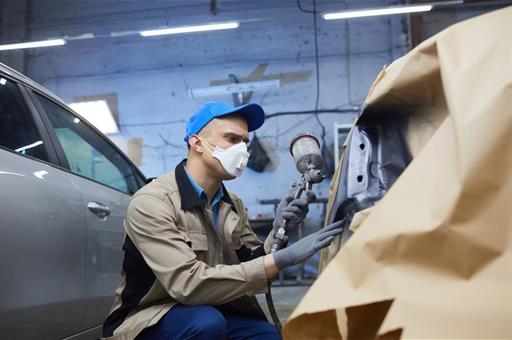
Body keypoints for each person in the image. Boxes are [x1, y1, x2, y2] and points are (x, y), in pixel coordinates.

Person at [102, 102, 343, 339]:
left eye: (245, 142)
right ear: (197, 143)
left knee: (265, 334)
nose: (243, 150)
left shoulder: (232, 203)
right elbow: (188, 284)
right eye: (232, 139)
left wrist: (280, 227)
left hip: (209, 307)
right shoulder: (153, 202)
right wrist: (283, 260)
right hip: (149, 317)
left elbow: (252, 261)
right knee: (206, 324)